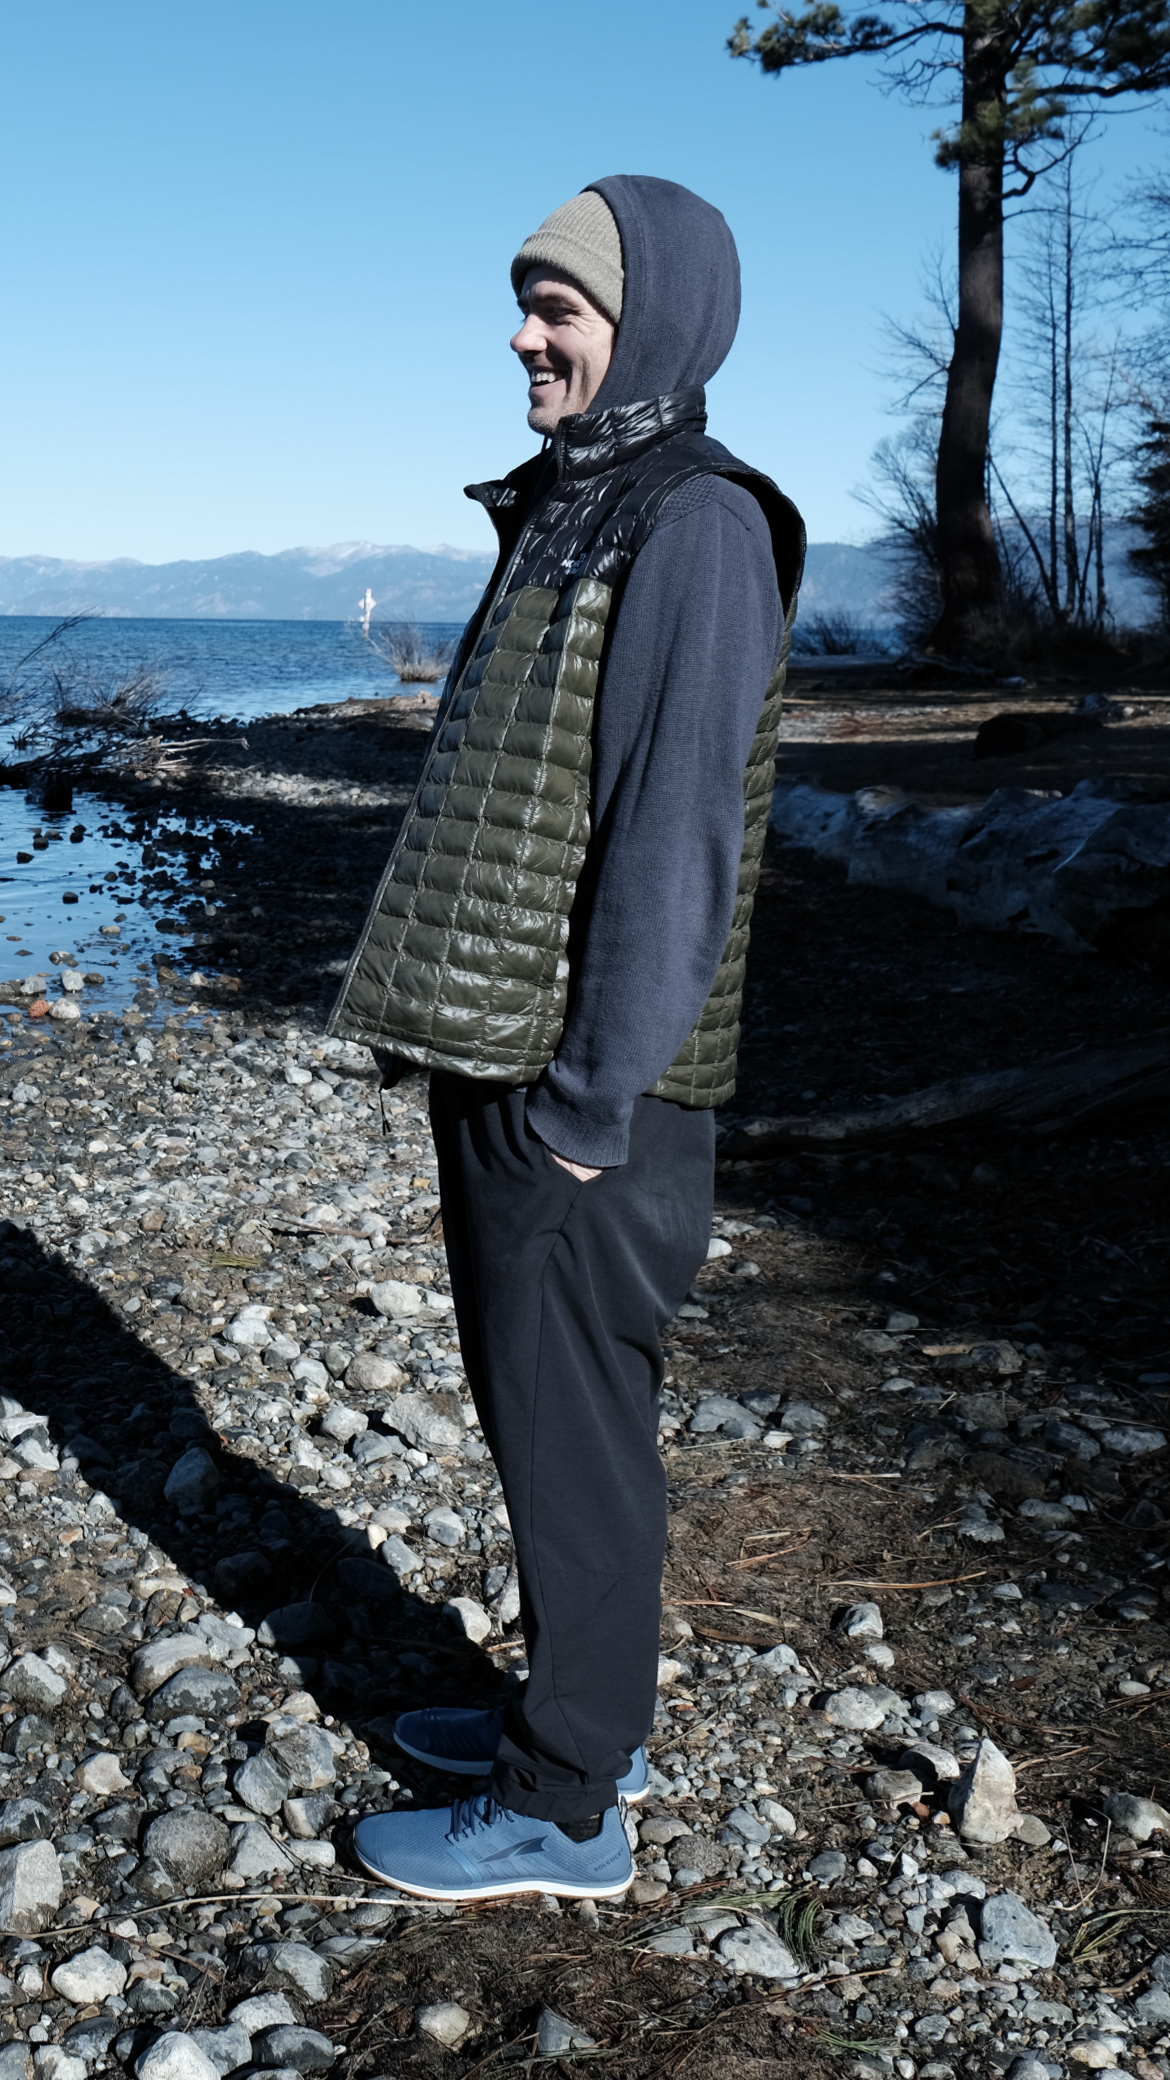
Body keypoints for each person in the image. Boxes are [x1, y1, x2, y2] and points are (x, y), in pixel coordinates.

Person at [327, 174, 804, 1902]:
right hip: (525, 1057)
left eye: (561, 309)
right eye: (525, 304)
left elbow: (674, 833)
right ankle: (578, 1716)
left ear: (649, 321)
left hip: (584, 1086)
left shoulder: (693, 524)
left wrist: (591, 1103)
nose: (526, 337)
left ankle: (564, 1804)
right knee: (551, 1419)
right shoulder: (586, 502)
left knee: (572, 1426)